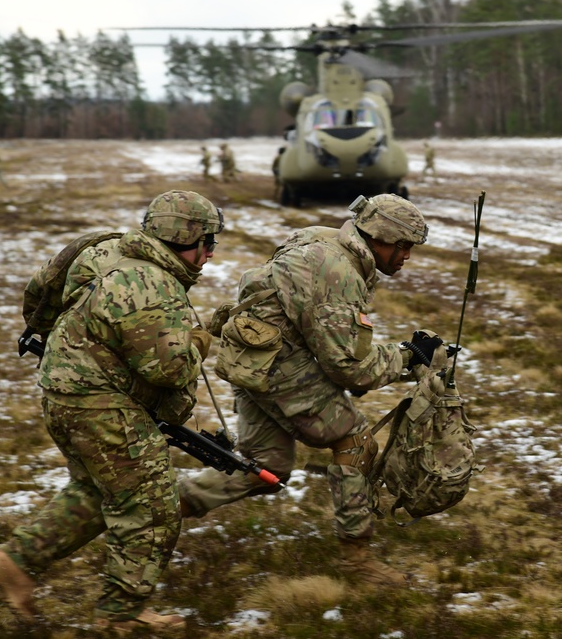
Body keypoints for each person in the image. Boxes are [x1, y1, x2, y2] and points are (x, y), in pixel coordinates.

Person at [0, 190, 224, 633]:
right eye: (207, 242)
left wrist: (63, 339)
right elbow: (169, 369)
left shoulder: (105, 249)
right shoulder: (151, 284)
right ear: (184, 238)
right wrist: (201, 339)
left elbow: (40, 291)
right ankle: (120, 614)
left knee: (97, 490)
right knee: (153, 505)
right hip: (101, 405)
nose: (209, 255)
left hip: (63, 393)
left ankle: (15, 561)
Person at [179, 193, 437, 587]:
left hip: (249, 358)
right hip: (277, 366)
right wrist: (408, 357)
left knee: (265, 469)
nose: (406, 256)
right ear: (379, 237)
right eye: (402, 246)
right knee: (355, 443)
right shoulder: (337, 271)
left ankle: (158, 506)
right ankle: (357, 560)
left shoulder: (322, 239)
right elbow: (352, 369)